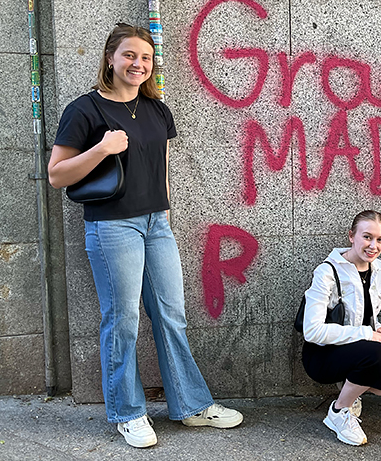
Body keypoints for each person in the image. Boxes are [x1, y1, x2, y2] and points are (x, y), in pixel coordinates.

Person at [47, 23, 242, 449]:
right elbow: (56, 175)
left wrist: (165, 216)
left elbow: (162, 169)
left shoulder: (157, 109)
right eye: (130, 55)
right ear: (110, 59)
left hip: (156, 225)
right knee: (124, 321)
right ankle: (128, 412)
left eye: (146, 57)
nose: (138, 64)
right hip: (112, 225)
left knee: (171, 315)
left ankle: (190, 406)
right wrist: (101, 148)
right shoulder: (85, 110)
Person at [301, 210, 381, 446]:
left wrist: (378, 329)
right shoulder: (327, 272)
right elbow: (312, 331)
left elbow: (365, 315)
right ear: (351, 236)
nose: (373, 245)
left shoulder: (380, 269)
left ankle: (352, 388)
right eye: (367, 237)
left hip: (360, 347)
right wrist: (368, 335)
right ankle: (339, 412)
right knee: (376, 354)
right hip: (322, 354)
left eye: (380, 239)